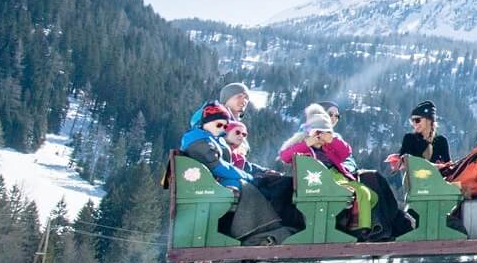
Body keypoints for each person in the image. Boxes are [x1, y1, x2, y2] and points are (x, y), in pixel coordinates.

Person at [280, 105, 409, 240]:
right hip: (321, 180)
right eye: (317, 133)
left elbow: (346, 152)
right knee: (363, 193)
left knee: (372, 195)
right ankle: (361, 229)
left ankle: (366, 225)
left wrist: (331, 140)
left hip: (337, 176)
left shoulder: (328, 145)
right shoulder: (304, 145)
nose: (319, 137)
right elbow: (285, 156)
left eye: (323, 132)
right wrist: (307, 143)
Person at [180, 101, 294, 243]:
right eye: (218, 125)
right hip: (214, 184)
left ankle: (273, 227)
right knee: (264, 188)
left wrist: (258, 174)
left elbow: (237, 164)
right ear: (203, 123)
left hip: (219, 181)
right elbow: (218, 166)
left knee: (270, 185)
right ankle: (267, 228)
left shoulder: (210, 140)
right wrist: (248, 177)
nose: (222, 129)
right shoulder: (198, 141)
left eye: (225, 126)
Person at [387, 101, 451, 171]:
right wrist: (436, 166)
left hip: (436, 181)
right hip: (415, 181)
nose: (414, 124)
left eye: (417, 120)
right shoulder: (409, 139)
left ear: (429, 120)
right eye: (412, 121)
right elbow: (408, 162)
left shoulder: (441, 141)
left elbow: (448, 166)